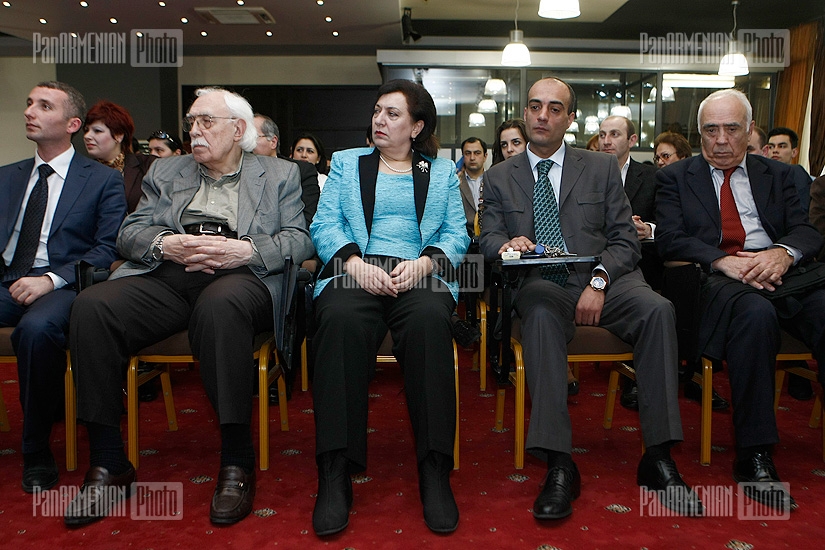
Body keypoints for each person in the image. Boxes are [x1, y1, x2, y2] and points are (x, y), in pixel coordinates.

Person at [64, 86, 314, 526]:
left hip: (240, 276)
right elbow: (130, 232)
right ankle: (108, 463)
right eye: (191, 123)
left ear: (238, 130)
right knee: (91, 307)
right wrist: (167, 243)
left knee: (220, 306)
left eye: (205, 122)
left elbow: (299, 239)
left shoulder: (278, 175)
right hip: (169, 273)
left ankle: (236, 460)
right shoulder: (167, 170)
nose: (194, 131)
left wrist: (245, 251)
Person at [480, 76, 701, 520]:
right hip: (543, 282)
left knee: (659, 310)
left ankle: (657, 457)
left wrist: (598, 282)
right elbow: (488, 239)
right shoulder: (499, 176)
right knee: (540, 314)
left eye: (555, 108)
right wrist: (505, 248)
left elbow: (625, 241)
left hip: (609, 279)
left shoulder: (599, 168)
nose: (543, 115)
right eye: (535, 106)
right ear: (525, 114)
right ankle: (559, 462)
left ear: (570, 119)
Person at [309, 79, 469, 536]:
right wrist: (353, 263)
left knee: (430, 320)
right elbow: (324, 224)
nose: (380, 120)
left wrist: (426, 264)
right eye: (378, 111)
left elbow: (458, 234)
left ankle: (435, 470)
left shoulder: (438, 172)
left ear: (417, 127)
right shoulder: (346, 162)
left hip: (417, 272)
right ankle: (335, 471)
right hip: (355, 268)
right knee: (337, 319)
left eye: (393, 114)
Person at [655, 88, 825, 511]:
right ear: (698, 135)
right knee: (755, 314)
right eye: (710, 130)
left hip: (784, 275)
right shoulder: (675, 177)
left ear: (749, 130)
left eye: (731, 129)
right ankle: (755, 453)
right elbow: (670, 238)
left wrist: (781, 254)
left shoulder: (783, 175)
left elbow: (808, 231)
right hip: (718, 281)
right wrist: (719, 261)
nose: (721, 140)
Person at [0, 81, 126, 494]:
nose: (29, 112)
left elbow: (106, 249)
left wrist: (49, 280)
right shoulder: (7, 177)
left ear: (73, 123)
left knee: (36, 332)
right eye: (29, 103)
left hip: (62, 284)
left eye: (43, 106)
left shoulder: (102, 181)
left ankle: (35, 449)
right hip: (6, 280)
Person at [652, 131, 730, 411]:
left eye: (666, 156)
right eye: (657, 156)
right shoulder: (664, 180)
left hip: (705, 266)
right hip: (670, 262)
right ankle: (675, 368)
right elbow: (667, 232)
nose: (660, 161)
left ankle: (695, 369)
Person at [599, 115, 663, 407]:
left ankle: (639, 378)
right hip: (599, 258)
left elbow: (667, 222)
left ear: (632, 141)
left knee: (654, 299)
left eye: (614, 134)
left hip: (644, 260)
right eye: (602, 135)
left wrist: (646, 228)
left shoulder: (651, 177)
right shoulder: (588, 173)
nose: (606, 141)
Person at [83, 100, 156, 213]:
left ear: (118, 136)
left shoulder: (147, 166)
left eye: (97, 131)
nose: (87, 136)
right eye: (86, 130)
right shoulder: (83, 171)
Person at [253, 113, 320, 229]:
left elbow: (307, 222)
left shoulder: (302, 171)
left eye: (252, 137)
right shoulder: (235, 170)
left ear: (273, 142)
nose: (244, 144)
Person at [458, 137, 487, 235]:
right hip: (463, 236)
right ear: (463, 156)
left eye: (477, 153)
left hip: (490, 236)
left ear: (485, 156)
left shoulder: (494, 181)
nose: (472, 158)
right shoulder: (455, 182)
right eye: (468, 153)